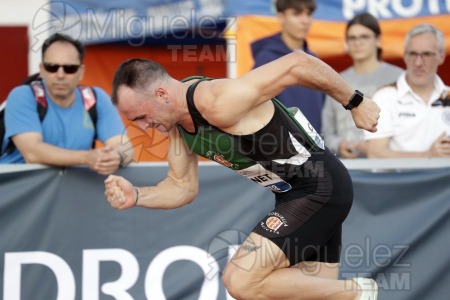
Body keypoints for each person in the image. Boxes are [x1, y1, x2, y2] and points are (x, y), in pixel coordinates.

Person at [104, 51, 380, 299]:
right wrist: (137, 194)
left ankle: (359, 292)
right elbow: (182, 187)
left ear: (162, 95)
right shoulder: (178, 127)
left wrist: (354, 101)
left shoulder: (216, 101)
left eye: (140, 117)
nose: (142, 128)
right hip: (294, 195)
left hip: (319, 188)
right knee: (314, 292)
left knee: (240, 280)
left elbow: (298, 63)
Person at [0, 33, 133, 174]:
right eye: (52, 67)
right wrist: (87, 157)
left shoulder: (96, 98)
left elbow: (125, 147)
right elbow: (32, 153)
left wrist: (116, 157)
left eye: (69, 68)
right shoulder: (23, 95)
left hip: (68, 190)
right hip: (15, 191)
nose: (60, 74)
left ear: (81, 72)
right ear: (41, 69)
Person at [321, 13, 403, 158]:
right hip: (349, 169)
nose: (357, 43)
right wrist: (339, 145)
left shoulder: (400, 77)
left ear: (378, 40)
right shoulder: (335, 80)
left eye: (364, 37)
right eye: (352, 38)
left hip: (390, 167)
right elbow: (327, 133)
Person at [365, 23, 450, 158]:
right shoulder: (385, 97)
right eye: (413, 54)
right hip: (401, 179)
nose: (418, 63)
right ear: (404, 56)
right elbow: (375, 153)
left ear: (441, 56)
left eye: (426, 54)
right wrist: (428, 156)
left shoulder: (448, 95)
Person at [250, 0, 325, 133]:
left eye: (308, 14)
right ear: (281, 17)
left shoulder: (316, 61)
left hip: (316, 147)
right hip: (279, 148)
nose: (305, 20)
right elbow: (255, 109)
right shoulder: (267, 59)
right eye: (296, 14)